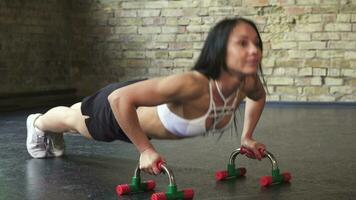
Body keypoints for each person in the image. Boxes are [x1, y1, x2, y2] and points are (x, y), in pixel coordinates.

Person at [26, 17, 267, 175]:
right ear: (221, 49)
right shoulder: (193, 84)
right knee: (73, 120)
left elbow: (258, 96)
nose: (254, 50)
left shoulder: (247, 82)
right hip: (118, 114)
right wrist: (145, 150)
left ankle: (52, 128)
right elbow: (119, 100)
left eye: (256, 43)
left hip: (142, 105)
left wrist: (247, 136)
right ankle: (37, 123)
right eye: (242, 44)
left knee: (78, 113)